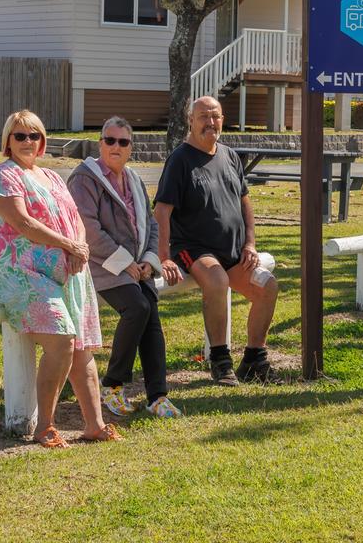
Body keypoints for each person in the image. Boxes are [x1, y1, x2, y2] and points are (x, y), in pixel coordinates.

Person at [0, 109, 121, 447]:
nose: (29, 142)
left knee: (81, 346)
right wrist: (68, 245)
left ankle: (94, 425)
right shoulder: (3, 175)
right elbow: (22, 224)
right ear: (8, 142)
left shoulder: (52, 177)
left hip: (64, 266)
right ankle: (45, 426)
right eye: (20, 136)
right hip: (15, 268)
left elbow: (76, 217)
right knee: (61, 340)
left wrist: (79, 247)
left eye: (35, 136)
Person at [153, 96, 281, 385]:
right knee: (217, 281)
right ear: (191, 120)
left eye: (216, 116)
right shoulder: (180, 160)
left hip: (234, 252)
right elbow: (162, 211)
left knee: (267, 287)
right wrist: (164, 257)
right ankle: (221, 360)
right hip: (195, 250)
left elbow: (245, 202)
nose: (210, 123)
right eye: (203, 117)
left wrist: (250, 244)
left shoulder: (229, 155)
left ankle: (254, 359)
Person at [68, 116, 182, 419]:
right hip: (98, 265)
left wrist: (147, 260)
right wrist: (124, 262)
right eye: (109, 140)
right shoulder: (85, 179)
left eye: (122, 141)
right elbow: (87, 228)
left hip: (135, 267)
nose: (115, 146)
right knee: (138, 309)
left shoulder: (132, 178)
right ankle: (113, 385)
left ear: (131, 147)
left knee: (151, 315)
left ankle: (158, 396)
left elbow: (150, 223)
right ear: (100, 143)